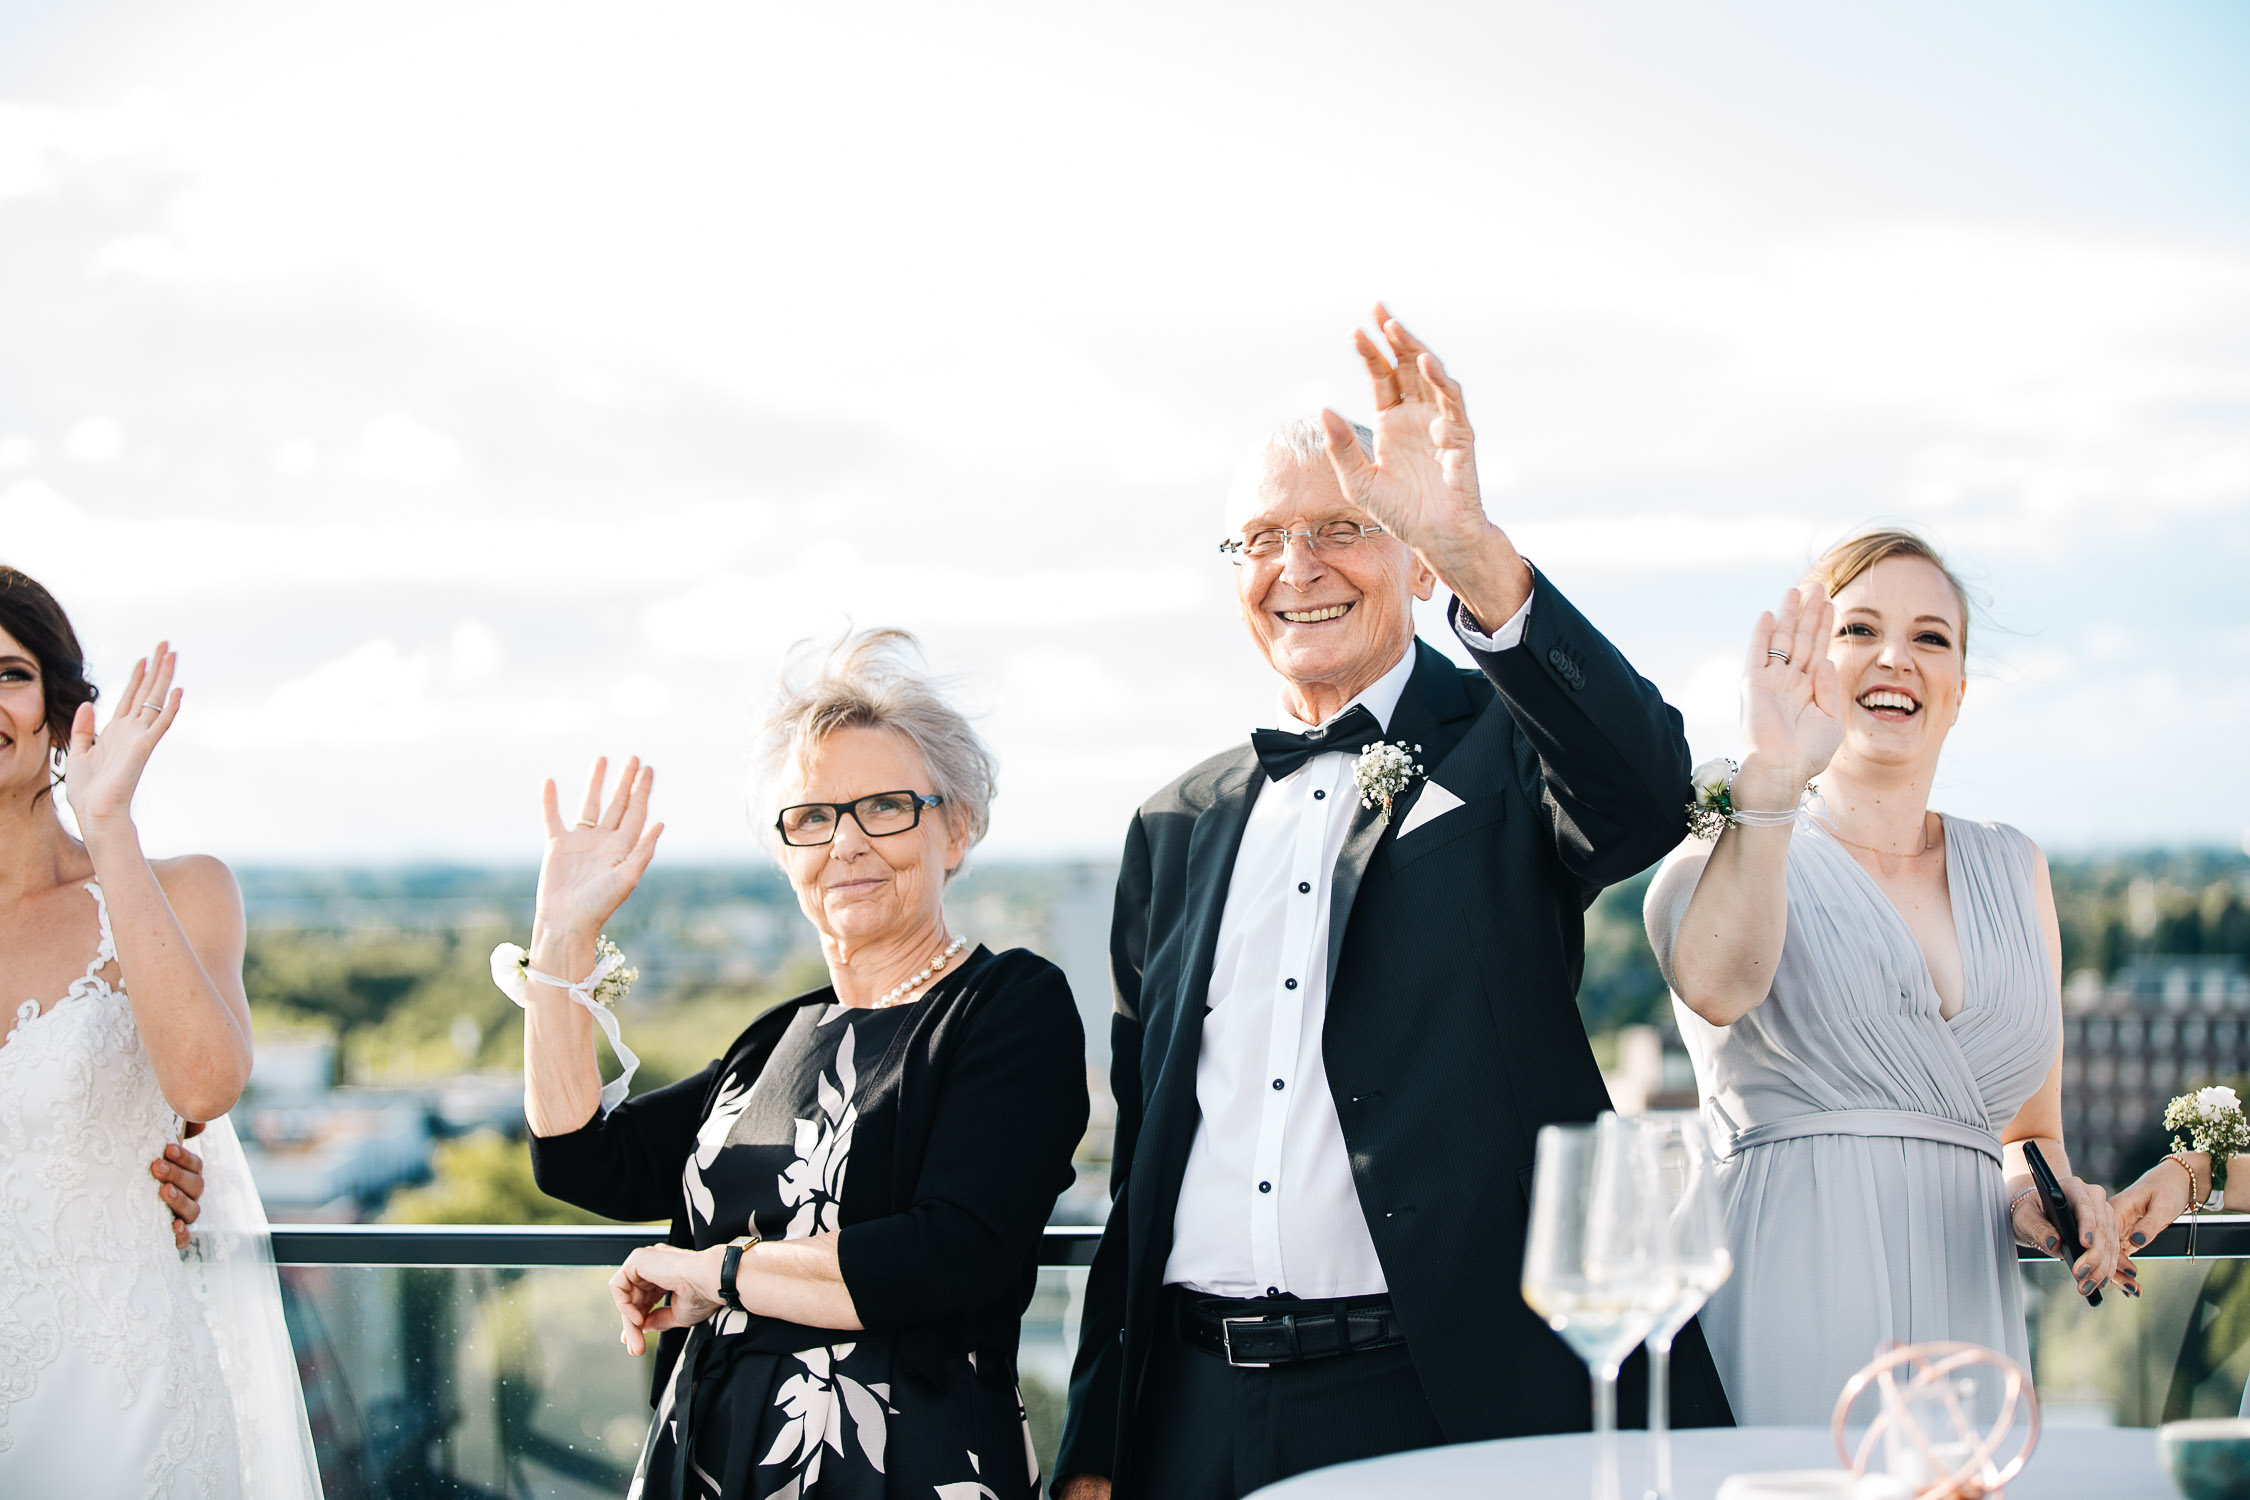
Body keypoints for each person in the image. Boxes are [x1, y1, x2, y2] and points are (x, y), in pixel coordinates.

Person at [1053, 309, 1732, 1500]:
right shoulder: (1174, 822)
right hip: (1189, 1414)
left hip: (1438, 1398)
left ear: (1414, 557)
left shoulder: (1501, 747)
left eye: (1342, 528)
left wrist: (1478, 551)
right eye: (1262, 538)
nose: (1299, 567)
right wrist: (1099, 1443)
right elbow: (1146, 1156)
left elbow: (1642, 795)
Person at [523, 630, 1088, 1500]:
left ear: (957, 830)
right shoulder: (777, 1038)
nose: (847, 843)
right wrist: (560, 941)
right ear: (786, 852)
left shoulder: (1007, 1006)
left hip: (905, 1468)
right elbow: (578, 1158)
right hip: (708, 1456)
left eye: (887, 806)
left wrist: (714, 1273)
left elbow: (955, 1253)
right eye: (813, 818)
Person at [1643, 529, 2122, 1424]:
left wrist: (2050, 1199)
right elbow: (1717, 985)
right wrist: (1775, 776)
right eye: (1860, 629)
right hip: (1783, 1290)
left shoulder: (2018, 870)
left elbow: (2029, 1132)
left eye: (1931, 637)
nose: (1896, 657)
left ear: (1959, 693)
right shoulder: (1724, 847)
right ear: (1809, 664)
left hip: (1967, 1305)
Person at [0, 565, 321, 1499]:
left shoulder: (183, 886)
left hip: (122, 1403)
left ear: (61, 705)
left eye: (9, 674)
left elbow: (205, 1085)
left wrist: (110, 828)